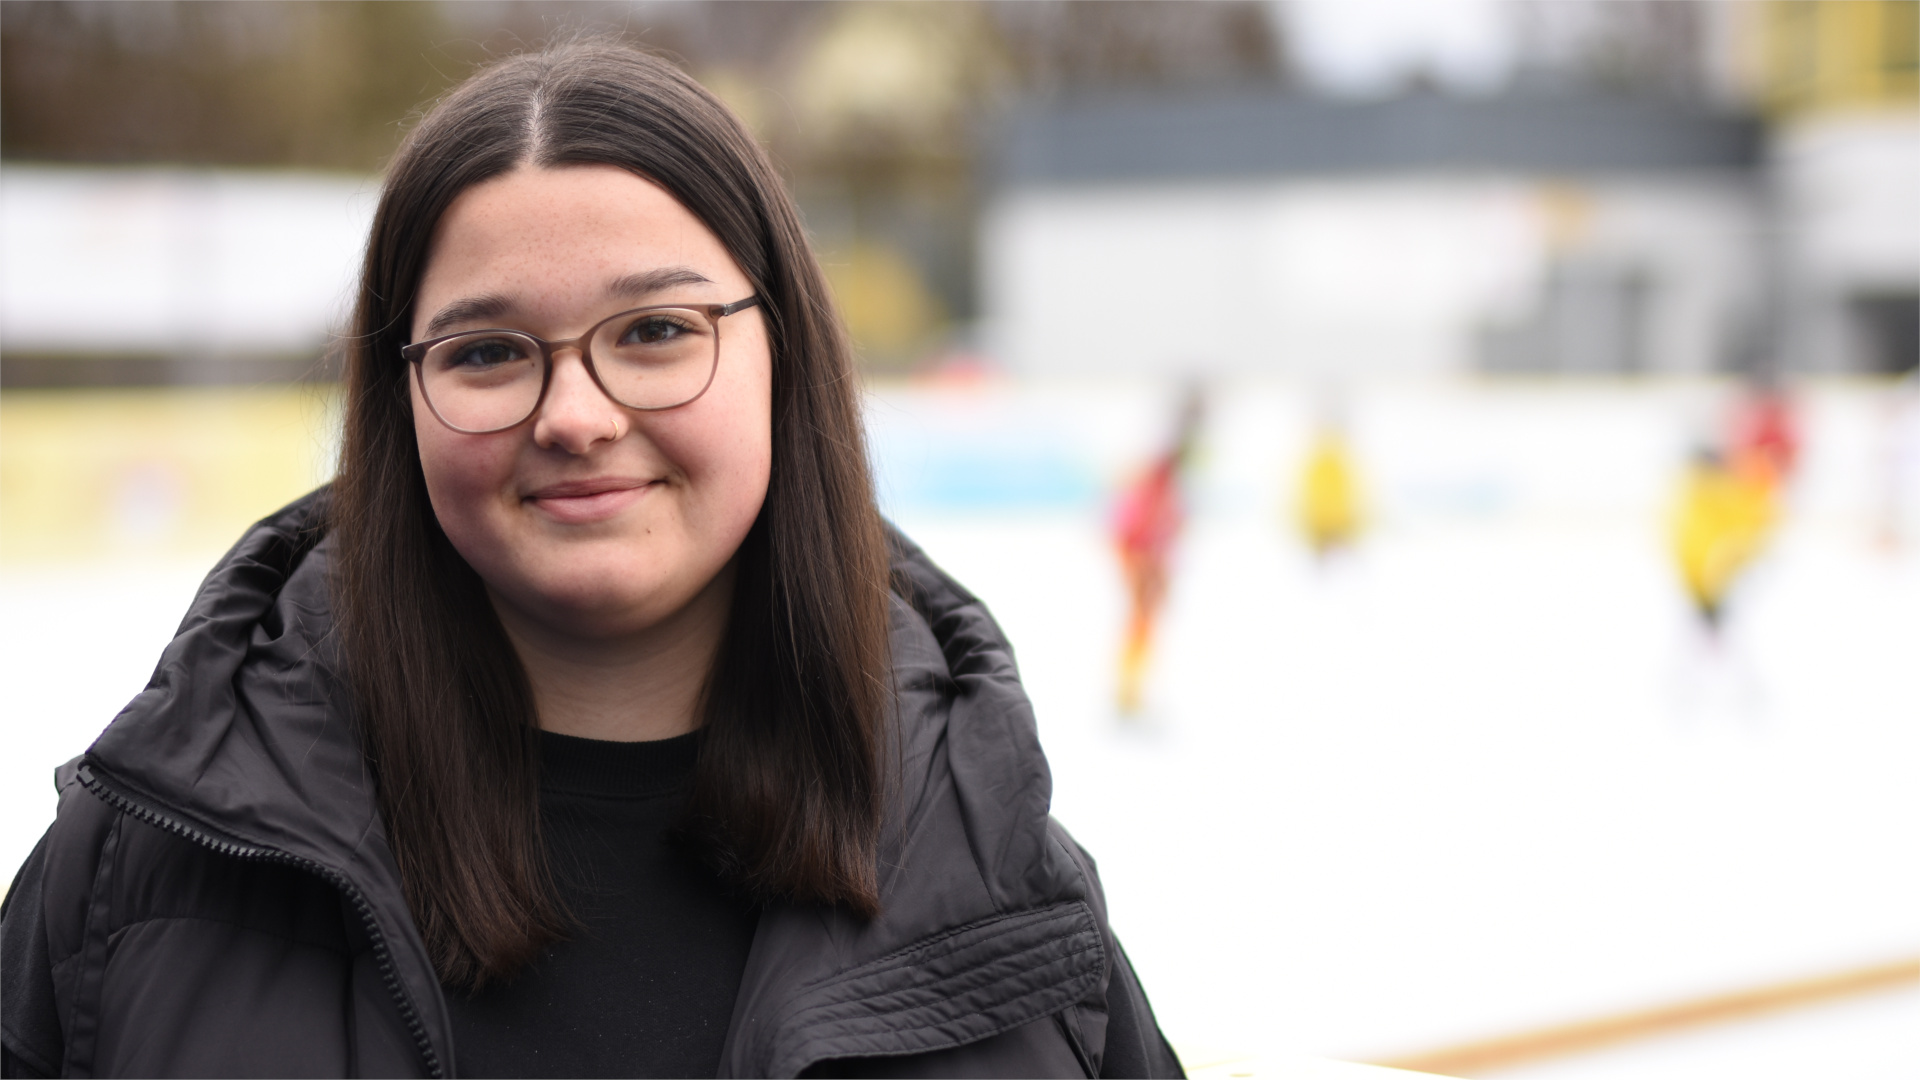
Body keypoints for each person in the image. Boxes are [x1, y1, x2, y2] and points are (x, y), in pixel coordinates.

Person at [0, 41, 1181, 1080]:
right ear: (398, 399)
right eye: (488, 352)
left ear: (785, 357)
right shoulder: (138, 870)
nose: (575, 414)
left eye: (657, 332)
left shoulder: (999, 880)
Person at [1110, 388, 1203, 716]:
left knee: (1144, 622)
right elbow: (1141, 515)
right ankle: (1128, 693)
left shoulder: (1165, 472)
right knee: (1142, 621)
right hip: (1140, 549)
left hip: (1145, 549)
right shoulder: (1158, 469)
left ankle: (1131, 691)